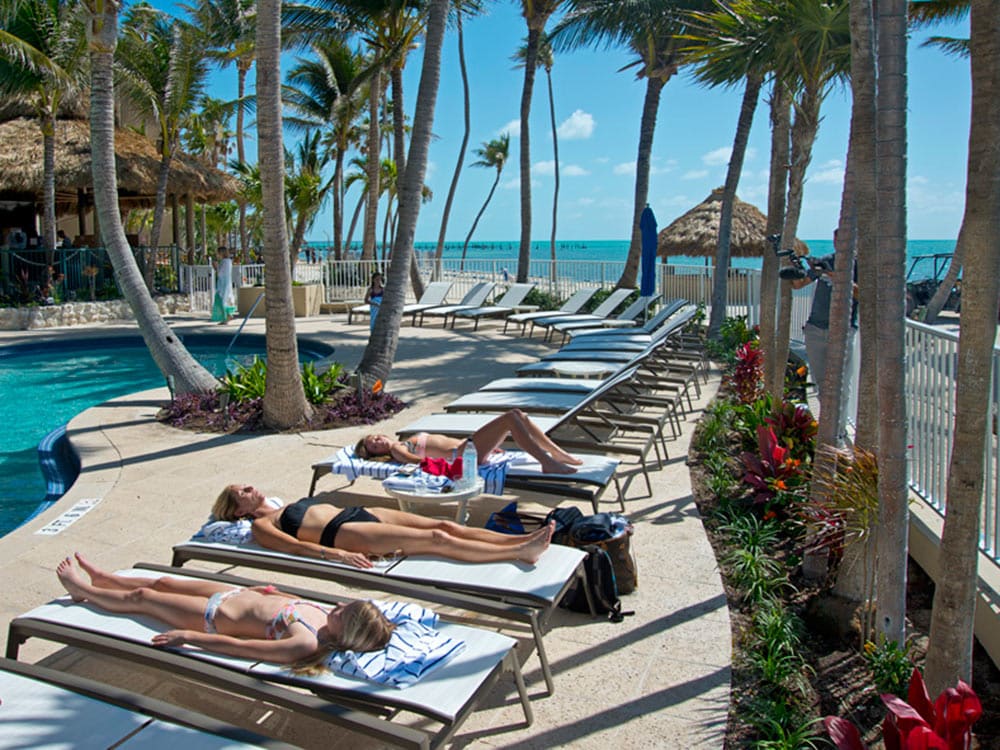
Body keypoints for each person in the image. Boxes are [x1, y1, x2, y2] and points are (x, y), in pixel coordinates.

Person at [55, 553, 395, 669]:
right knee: (162, 582)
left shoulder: (305, 643)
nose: (336, 605)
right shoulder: (324, 620)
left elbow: (243, 647)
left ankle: (83, 591)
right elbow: (290, 604)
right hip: (231, 594)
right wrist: (270, 591)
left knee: (143, 597)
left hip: (210, 618)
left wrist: (189, 637)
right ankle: (105, 578)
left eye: (342, 611)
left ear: (346, 631)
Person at [213, 484, 554, 568]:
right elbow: (295, 547)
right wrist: (337, 555)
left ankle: (522, 537)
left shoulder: (277, 503)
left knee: (442, 523)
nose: (249, 488)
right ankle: (517, 553)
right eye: (241, 492)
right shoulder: (262, 525)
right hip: (346, 534)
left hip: (362, 513)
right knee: (435, 538)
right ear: (237, 511)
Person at [357, 409, 582, 475]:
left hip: (466, 449)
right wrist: (449, 468)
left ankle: (557, 454)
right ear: (379, 454)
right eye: (374, 446)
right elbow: (419, 462)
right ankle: (547, 460)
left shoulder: (403, 440)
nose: (377, 441)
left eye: (374, 438)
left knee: (518, 416)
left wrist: (488, 445)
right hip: (462, 457)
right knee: (512, 417)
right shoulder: (398, 449)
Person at [788, 229, 858, 403]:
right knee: (820, 382)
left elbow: (861, 294)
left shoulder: (859, 265)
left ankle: (840, 428)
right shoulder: (826, 261)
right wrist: (796, 268)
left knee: (841, 385)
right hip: (815, 329)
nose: (838, 244)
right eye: (836, 240)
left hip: (843, 330)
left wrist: (832, 275)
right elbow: (799, 285)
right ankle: (827, 425)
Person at [211, 247, 236, 324]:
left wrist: (215, 266)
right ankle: (227, 316)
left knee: (222, 300)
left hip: (223, 284)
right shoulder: (228, 261)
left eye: (218, 253)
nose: (217, 255)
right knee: (226, 299)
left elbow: (220, 273)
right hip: (226, 283)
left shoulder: (224, 262)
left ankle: (226, 317)